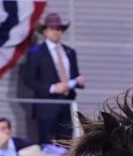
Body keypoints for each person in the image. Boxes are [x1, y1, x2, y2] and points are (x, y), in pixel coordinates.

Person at [21, 13, 85, 145]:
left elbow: (73, 76)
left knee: (67, 145)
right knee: (47, 146)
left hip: (67, 106)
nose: (56, 32)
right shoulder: (36, 52)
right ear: (44, 31)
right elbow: (29, 79)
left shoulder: (69, 52)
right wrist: (52, 88)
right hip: (46, 107)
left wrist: (79, 81)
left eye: (59, 29)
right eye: (52, 28)